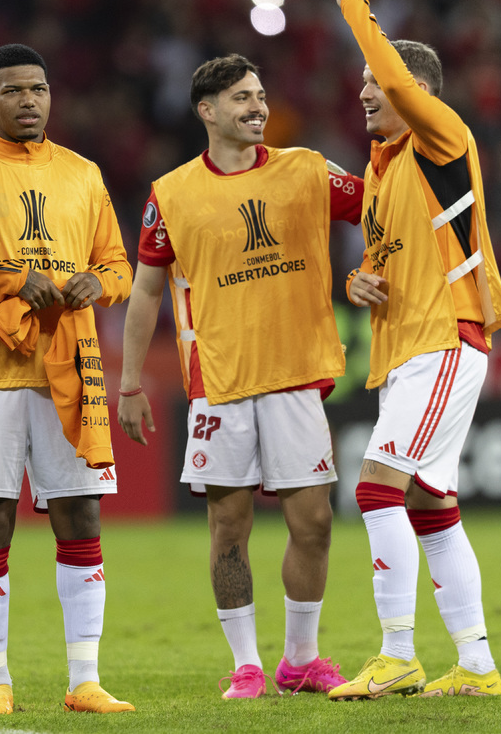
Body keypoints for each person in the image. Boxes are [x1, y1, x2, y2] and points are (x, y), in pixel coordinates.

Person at [117, 54, 363, 699]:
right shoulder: (171, 193)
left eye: (260, 95)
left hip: (295, 373)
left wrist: (370, 270)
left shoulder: (306, 169)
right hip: (220, 382)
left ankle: (301, 659)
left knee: (314, 522)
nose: (257, 107)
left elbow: (382, 209)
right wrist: (131, 382)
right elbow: (145, 292)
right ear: (207, 111)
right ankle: (247, 663)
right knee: (229, 528)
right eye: (241, 98)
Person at [311, 0, 501, 700]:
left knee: (376, 489)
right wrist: (356, 281)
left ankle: (397, 652)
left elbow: (397, 80)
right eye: (362, 83)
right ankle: (477, 665)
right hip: (408, 350)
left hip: (445, 340)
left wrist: (352, 3)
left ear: (416, 93)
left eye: (376, 82)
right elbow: (383, 260)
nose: (365, 92)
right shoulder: (382, 172)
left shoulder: (443, 139)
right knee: (432, 506)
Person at [0, 43, 135, 715]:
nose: (29, 101)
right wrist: (14, 281)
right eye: (13, 90)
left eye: (38, 89)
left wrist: (98, 282)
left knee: (80, 513)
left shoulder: (83, 173)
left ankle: (85, 680)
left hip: (70, 365)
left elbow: (120, 266)